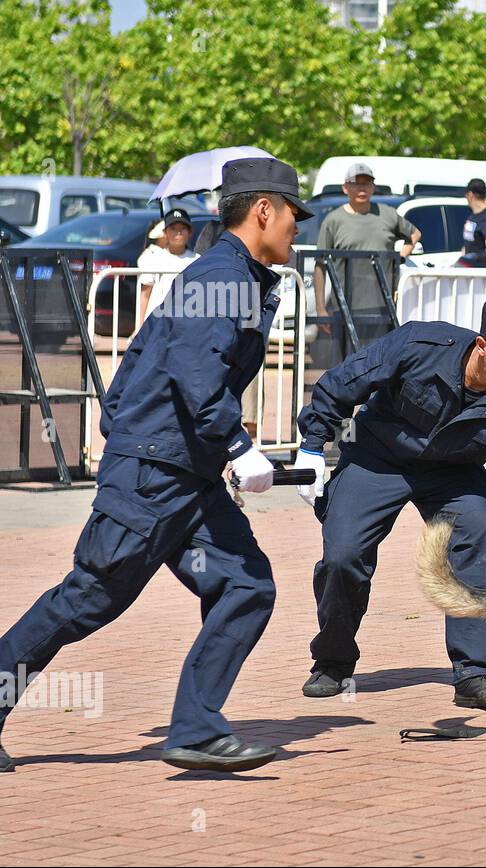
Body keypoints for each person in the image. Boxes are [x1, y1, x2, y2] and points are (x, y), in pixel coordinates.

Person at [0, 157, 314, 774]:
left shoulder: (237, 278)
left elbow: (156, 363)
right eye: (293, 217)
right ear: (263, 211)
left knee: (247, 586)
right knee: (87, 599)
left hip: (181, 472)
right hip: (154, 474)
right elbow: (197, 373)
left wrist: (213, 443)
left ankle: (196, 729)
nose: (297, 230)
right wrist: (236, 445)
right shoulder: (219, 276)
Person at [290, 297, 486, 708]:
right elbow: (342, 382)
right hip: (376, 461)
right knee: (343, 555)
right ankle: (333, 660)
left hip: (453, 474)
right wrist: (313, 446)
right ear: (481, 345)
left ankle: (476, 672)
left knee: (480, 528)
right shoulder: (418, 346)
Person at [313, 162, 420, 356]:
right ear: (345, 187)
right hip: (344, 305)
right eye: (356, 183)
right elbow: (320, 265)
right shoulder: (333, 220)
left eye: (367, 183)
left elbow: (414, 234)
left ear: (373, 186)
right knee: (345, 365)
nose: (362, 188)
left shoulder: (387, 213)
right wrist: (321, 309)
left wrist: (400, 258)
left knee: (379, 362)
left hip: (382, 305)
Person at [137, 208, 198, 329]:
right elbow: (145, 293)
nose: (178, 233)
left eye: (183, 228)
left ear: (190, 232)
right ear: (165, 233)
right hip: (155, 323)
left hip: (185, 324)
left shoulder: (198, 260)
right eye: (173, 228)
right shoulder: (153, 257)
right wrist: (139, 326)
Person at [461, 178, 486, 255]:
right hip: (468, 263)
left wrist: (481, 263)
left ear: (470, 195)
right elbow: (468, 243)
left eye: (466, 195)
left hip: (479, 265)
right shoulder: (471, 218)